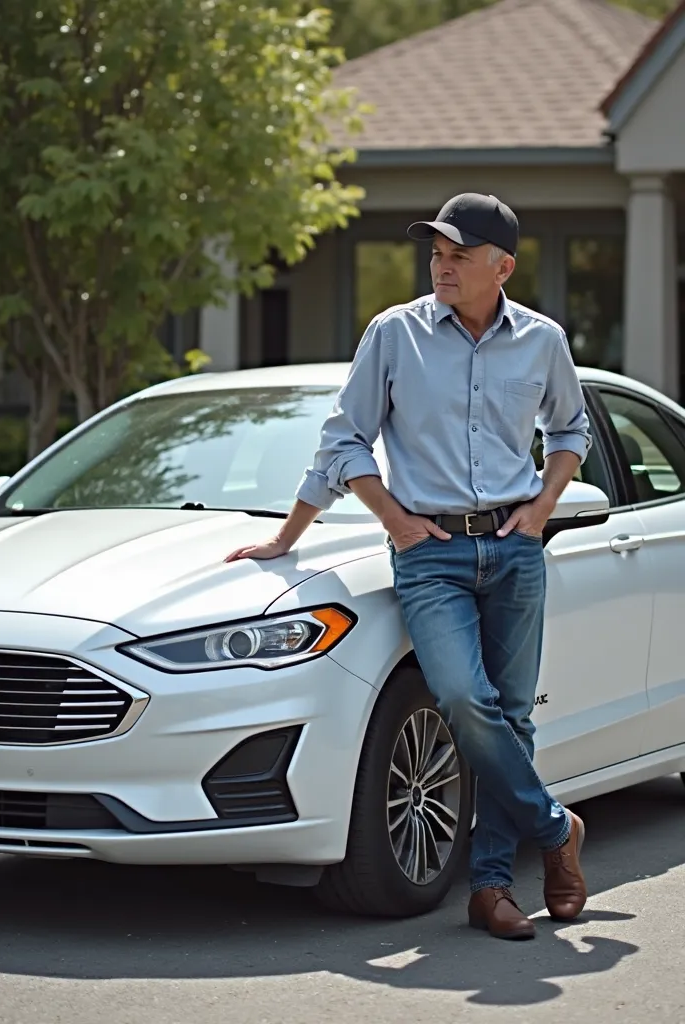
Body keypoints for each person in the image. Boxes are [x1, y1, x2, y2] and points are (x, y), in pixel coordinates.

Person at [225, 193, 591, 941]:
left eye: (458, 254)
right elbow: (343, 441)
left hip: (517, 551)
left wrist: (547, 502)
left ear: (502, 267)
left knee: (511, 717)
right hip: (431, 558)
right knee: (463, 697)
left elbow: (571, 427)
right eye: (436, 253)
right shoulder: (394, 335)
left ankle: (491, 890)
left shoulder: (543, 341)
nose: (441, 265)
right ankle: (556, 831)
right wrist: (315, 533)